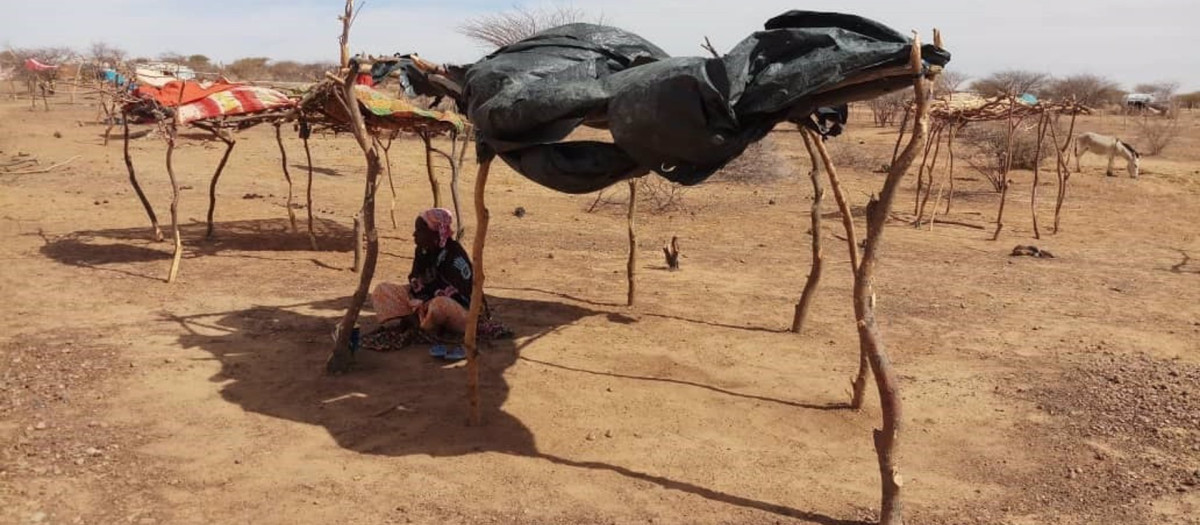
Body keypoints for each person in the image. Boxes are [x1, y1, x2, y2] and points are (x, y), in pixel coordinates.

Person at [370, 208, 473, 359]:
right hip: (424, 304)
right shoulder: (422, 251)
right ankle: (421, 321)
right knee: (382, 290)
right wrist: (416, 300)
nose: (414, 234)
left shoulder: (454, 254)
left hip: (460, 314)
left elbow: (462, 293)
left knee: (439, 304)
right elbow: (415, 279)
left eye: (419, 230)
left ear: (434, 232)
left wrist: (424, 302)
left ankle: (421, 322)